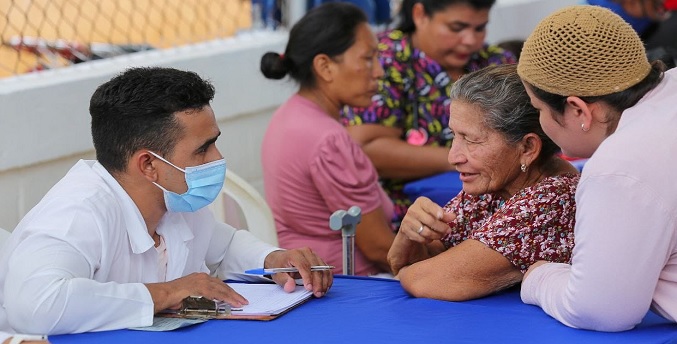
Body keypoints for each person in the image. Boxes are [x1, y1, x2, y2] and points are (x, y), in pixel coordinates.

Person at [0, 67, 332, 335]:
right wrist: (168, 292)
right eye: (203, 148)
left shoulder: (174, 202)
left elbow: (223, 245)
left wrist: (272, 259)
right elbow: (34, 306)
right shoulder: (76, 214)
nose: (217, 158)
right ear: (148, 165)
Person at [517, 5, 677, 331]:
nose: (541, 123)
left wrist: (538, 277)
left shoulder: (620, 165)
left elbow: (600, 309)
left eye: (539, 109)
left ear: (578, 110)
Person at [387, 64, 579, 301]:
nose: (453, 157)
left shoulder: (551, 200)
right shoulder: (493, 187)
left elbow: (425, 280)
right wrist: (410, 233)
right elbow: (406, 265)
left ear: (527, 148)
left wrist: (414, 270)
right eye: (454, 136)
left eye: (471, 140)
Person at [341, 0, 516, 224]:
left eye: (479, 28)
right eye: (456, 28)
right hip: (411, 220)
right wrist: (464, 159)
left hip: (496, 217)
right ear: (420, 14)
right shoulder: (386, 62)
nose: (470, 40)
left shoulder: (495, 64)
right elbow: (365, 151)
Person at [260, 2, 395, 276]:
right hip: (350, 283)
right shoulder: (329, 140)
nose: (379, 71)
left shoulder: (289, 114)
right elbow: (380, 249)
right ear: (325, 66)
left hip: (311, 278)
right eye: (368, 59)